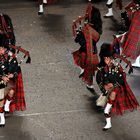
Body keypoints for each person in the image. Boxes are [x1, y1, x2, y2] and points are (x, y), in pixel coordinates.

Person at [96, 43, 139, 131]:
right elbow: (100, 79)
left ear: (110, 58)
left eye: (107, 58)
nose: (106, 60)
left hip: (115, 90)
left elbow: (121, 79)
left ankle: (108, 121)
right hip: (109, 89)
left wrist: (112, 85)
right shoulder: (103, 68)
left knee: (106, 109)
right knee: (107, 108)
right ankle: (108, 123)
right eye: (105, 58)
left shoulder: (116, 66)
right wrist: (104, 87)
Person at [0, 45, 26, 127]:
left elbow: (17, 70)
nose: (1, 51)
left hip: (8, 81)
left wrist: (12, 74)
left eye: (2, 49)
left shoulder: (10, 56)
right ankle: (2, 118)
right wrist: (2, 76)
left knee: (11, 91)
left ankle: (7, 104)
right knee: (0, 100)